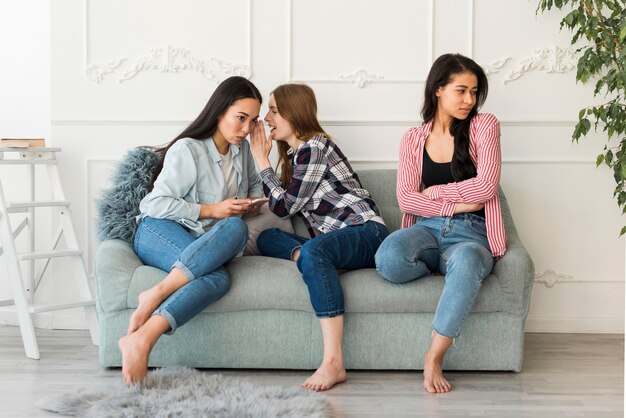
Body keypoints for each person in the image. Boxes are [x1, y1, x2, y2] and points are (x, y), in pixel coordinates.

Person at [118, 76, 264, 385]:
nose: (246, 128)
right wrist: (213, 209)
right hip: (158, 229)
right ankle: (147, 328)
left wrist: (249, 205)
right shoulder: (189, 149)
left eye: (252, 121)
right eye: (241, 118)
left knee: (234, 230)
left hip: (202, 240)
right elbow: (154, 204)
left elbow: (254, 192)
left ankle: (144, 332)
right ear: (220, 111)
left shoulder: (243, 152)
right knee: (219, 270)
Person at [375, 53, 506, 394]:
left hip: (472, 233)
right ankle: (436, 267)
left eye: (474, 92)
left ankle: (433, 356)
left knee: (465, 261)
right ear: (437, 90)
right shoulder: (412, 139)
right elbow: (406, 199)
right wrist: (458, 201)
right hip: (427, 230)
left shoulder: (484, 126)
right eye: (461, 90)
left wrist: (434, 191)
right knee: (388, 257)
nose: (469, 100)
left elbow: (487, 187)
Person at [249, 83, 390, 392]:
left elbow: (285, 206)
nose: (267, 118)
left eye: (273, 110)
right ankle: (318, 260)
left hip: (365, 232)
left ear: (293, 112)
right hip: (336, 240)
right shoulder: (296, 156)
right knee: (267, 238)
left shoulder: (315, 146)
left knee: (312, 252)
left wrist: (262, 162)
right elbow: (281, 208)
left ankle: (333, 362)